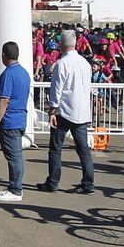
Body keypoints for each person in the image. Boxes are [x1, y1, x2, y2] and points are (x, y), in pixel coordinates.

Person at [39, 30, 95, 195]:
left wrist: (52, 110)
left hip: (63, 111)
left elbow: (57, 89)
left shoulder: (61, 64)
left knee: (56, 149)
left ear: (62, 45)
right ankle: (88, 184)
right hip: (82, 112)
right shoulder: (85, 63)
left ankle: (53, 182)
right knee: (84, 151)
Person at [0, 41, 33, 202]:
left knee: (14, 157)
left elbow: (4, 99)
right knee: (15, 156)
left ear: (3, 55)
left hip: (9, 121)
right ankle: (13, 186)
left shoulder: (9, 74)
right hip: (18, 118)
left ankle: (16, 189)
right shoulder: (23, 72)